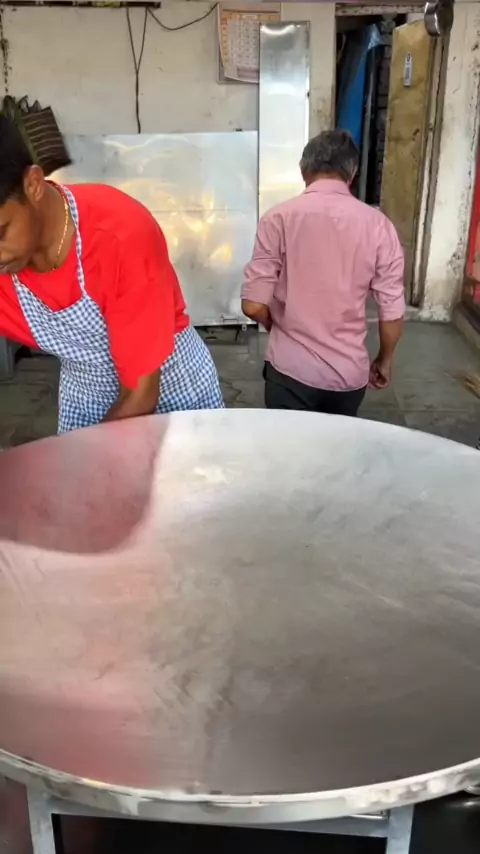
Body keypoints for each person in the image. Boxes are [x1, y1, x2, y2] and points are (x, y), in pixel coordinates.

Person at [0, 116, 223, 433]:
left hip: (171, 393)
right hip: (87, 398)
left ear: (33, 185)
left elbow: (141, 395)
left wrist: (89, 457)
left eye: (1, 233)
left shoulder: (119, 235)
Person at [241, 130, 405, 416]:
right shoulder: (379, 226)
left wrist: (276, 326)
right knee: (336, 443)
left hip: (289, 372)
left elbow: (253, 306)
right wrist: (384, 360)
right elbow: (391, 310)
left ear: (304, 170)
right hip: (347, 375)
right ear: (351, 174)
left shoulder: (277, 218)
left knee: (289, 443)